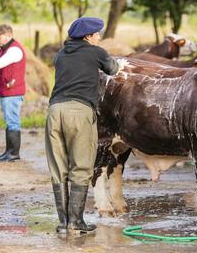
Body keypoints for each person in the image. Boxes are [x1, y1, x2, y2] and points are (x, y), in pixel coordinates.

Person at [45, 17, 122, 234]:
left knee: (58, 168)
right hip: (79, 112)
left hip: (54, 112)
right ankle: (76, 222)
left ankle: (63, 223)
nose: (99, 37)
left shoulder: (60, 54)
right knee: (81, 166)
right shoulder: (94, 51)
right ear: (88, 36)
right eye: (97, 34)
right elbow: (113, 69)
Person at [0, 24, 26, 162]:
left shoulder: (15, 50)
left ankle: (14, 154)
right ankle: (8, 151)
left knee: (12, 121)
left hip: (13, 92)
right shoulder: (3, 49)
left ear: (8, 36)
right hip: (6, 91)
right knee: (9, 122)